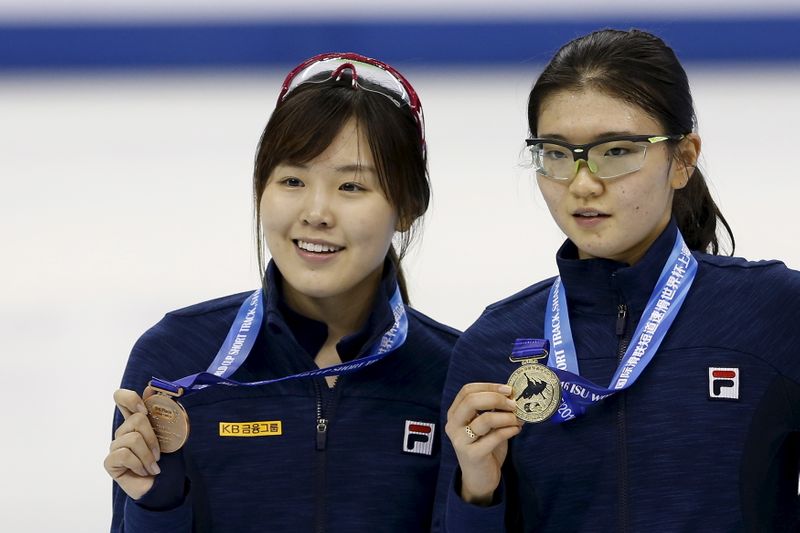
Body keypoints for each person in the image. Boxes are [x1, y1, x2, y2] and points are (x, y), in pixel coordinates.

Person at [435, 28, 800, 532]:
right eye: (557, 154)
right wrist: (476, 493)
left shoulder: (775, 313)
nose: (583, 183)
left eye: (617, 151)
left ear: (683, 160)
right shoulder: (492, 347)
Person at [104, 52, 459, 532]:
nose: (316, 212)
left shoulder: (453, 373)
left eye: (351, 186)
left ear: (409, 206)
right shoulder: (177, 358)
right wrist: (156, 501)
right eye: (292, 180)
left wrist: (480, 496)